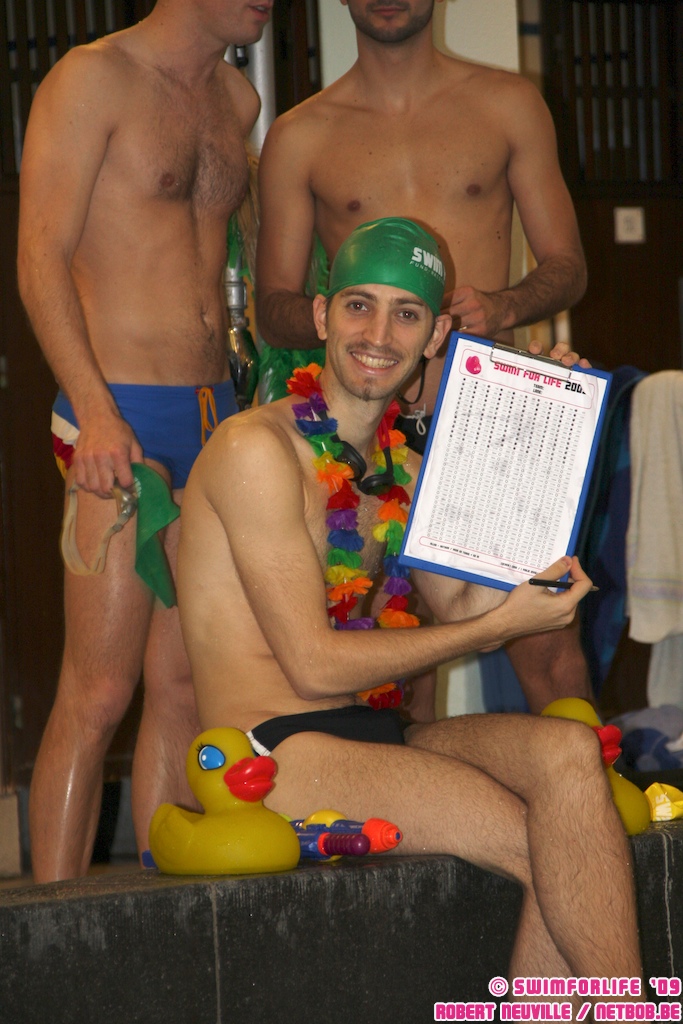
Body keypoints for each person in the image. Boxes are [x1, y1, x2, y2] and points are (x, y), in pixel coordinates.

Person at [178, 218, 642, 992]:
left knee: (566, 755)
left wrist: (539, 427)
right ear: (322, 316)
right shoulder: (254, 450)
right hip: (275, 747)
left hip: (372, 734)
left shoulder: (402, 466)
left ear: (436, 336)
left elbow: (466, 604)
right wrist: (498, 624)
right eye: (358, 305)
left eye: (405, 313)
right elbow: (314, 664)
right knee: (542, 839)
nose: (377, 334)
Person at [254, 0, 592, 717]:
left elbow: (568, 266)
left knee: (549, 646)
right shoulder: (300, 134)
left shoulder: (507, 104)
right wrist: (350, 317)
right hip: (368, 423)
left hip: (487, 416)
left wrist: (503, 305)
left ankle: (590, 785)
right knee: (394, 659)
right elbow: (273, 307)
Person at [16, 0, 273, 883]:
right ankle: (53, 932)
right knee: (98, 691)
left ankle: (168, 918)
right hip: (118, 411)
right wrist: (94, 411)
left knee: (184, 687)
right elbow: (40, 258)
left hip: (216, 413)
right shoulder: (90, 80)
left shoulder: (236, 100)